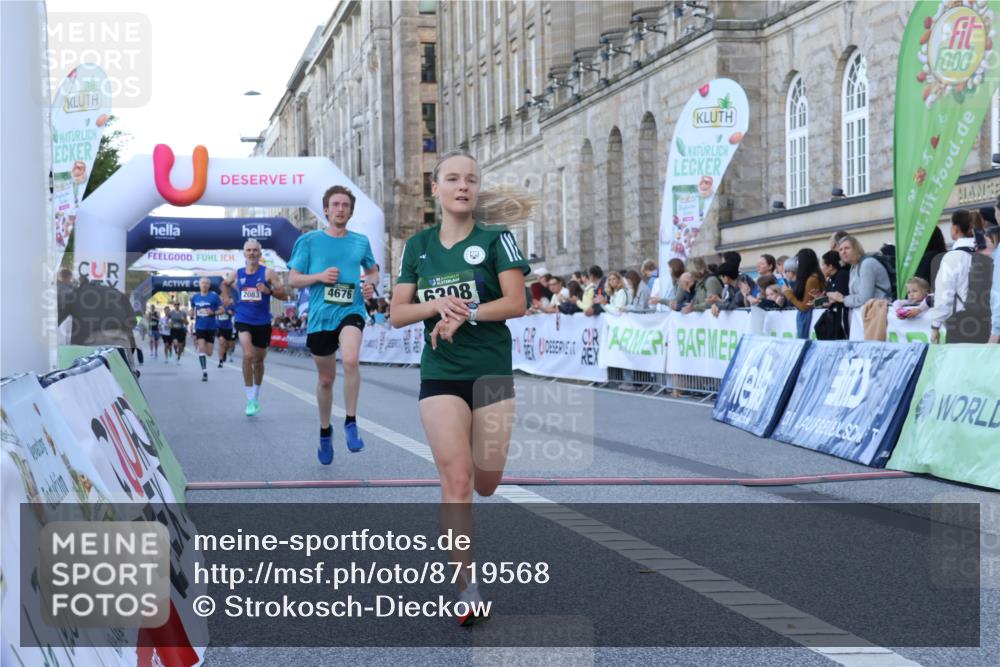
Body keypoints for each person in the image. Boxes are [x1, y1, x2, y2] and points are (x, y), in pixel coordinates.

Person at [389, 149, 531, 625]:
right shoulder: (418, 246)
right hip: (441, 375)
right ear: (436, 189)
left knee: (486, 482)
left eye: (470, 179)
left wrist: (466, 312)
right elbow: (397, 314)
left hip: (491, 373)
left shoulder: (496, 239)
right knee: (458, 481)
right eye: (452, 178)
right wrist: (436, 307)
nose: (462, 186)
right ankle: (468, 590)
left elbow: (516, 303)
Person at [287, 184, 379, 463]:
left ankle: (351, 422)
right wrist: (319, 277)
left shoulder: (360, 241)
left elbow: (373, 271)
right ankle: (325, 431)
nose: (340, 209)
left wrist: (369, 285)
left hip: (351, 309)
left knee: (350, 360)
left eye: (345, 205)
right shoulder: (309, 241)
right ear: (326, 210)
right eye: (335, 205)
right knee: (326, 380)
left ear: (351, 212)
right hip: (320, 316)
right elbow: (293, 279)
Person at [222, 238, 289, 416]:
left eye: (255, 250)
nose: (252, 253)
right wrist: (226, 298)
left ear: (260, 253)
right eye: (249, 250)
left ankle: (256, 394)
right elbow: (225, 284)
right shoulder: (237, 273)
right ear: (244, 253)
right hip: (243, 318)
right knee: (248, 355)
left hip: (262, 322)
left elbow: (285, 295)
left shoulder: (268, 273)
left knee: (259, 361)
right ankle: (249, 398)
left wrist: (269, 291)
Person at [929, 210, 991, 344]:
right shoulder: (990, 253)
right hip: (990, 322)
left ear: (955, 229)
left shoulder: (952, 258)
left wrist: (935, 326)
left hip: (962, 324)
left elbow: (944, 294)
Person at [826, 235, 892, 312]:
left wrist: (843, 299)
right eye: (840, 250)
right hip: (868, 311)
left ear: (856, 249)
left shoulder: (867, 264)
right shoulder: (854, 266)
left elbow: (864, 299)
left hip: (880, 311)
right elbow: (854, 295)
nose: (843, 252)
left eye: (847, 248)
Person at [784, 248, 825, 338]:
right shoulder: (813, 277)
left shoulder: (812, 279)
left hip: (810, 321)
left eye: (797, 261)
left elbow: (805, 307)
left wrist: (790, 295)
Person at [190, 277, 222, 382]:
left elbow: (222, 310)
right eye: (202, 283)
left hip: (211, 327)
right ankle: (204, 372)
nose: (204, 285)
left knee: (209, 353)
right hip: (199, 327)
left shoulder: (214, 297)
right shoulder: (195, 297)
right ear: (199, 285)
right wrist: (191, 313)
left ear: (209, 285)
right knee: (202, 348)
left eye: (206, 283)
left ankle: (205, 357)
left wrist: (213, 312)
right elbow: (192, 310)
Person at [216, 300, 236, 367]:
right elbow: (215, 312)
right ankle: (220, 361)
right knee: (221, 343)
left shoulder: (231, 306)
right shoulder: (218, 305)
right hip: (219, 327)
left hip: (228, 328)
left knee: (228, 345)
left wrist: (226, 311)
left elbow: (233, 313)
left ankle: (224, 352)